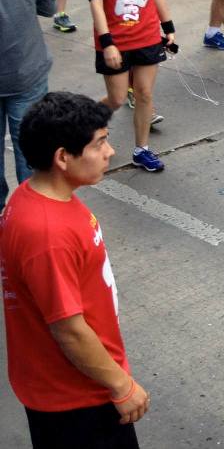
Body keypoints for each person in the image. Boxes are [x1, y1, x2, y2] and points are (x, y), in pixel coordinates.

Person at [0, 92, 150, 448]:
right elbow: (68, 329)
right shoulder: (47, 233)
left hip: (75, 385)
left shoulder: (38, 195)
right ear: (63, 157)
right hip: (77, 397)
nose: (110, 152)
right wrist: (122, 385)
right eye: (100, 144)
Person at [84, 0, 176, 173]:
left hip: (147, 35)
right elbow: (96, 3)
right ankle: (86, 122)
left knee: (145, 93)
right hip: (115, 40)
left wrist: (168, 26)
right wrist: (107, 42)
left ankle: (141, 149)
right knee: (117, 98)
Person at [0, 0, 55, 209]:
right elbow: (49, 7)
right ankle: (28, 213)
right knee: (30, 149)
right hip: (26, 72)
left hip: (24, 73)